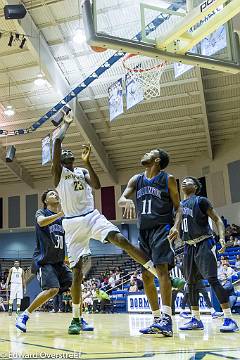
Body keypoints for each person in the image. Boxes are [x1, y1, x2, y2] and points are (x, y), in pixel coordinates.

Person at [51, 114, 158, 335]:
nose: (69, 154)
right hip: (72, 224)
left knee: (121, 240)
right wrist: (67, 124)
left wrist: (88, 162)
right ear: (61, 160)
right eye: (65, 154)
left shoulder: (81, 171)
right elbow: (57, 143)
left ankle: (158, 273)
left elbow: (98, 185)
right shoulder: (58, 174)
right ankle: (76, 319)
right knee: (77, 272)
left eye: (72, 154)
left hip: (92, 216)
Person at [118, 148, 181, 337]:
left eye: (149, 153)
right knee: (146, 276)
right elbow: (123, 197)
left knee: (161, 270)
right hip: (143, 231)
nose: (144, 153)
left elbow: (179, 207)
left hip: (162, 228)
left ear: (157, 159)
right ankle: (155, 320)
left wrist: (176, 226)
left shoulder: (167, 179)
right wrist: (124, 201)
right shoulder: (136, 179)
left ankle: (167, 319)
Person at [178, 176, 238, 333]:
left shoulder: (201, 201)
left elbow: (217, 220)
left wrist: (222, 238)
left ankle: (229, 318)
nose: (184, 182)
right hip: (188, 246)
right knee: (190, 283)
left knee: (212, 279)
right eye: (183, 181)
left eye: (189, 181)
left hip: (205, 242)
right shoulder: (179, 206)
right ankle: (196, 319)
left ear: (196, 187)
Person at [15, 189, 74, 333]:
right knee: (52, 290)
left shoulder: (63, 219)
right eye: (51, 194)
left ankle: (77, 318)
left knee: (76, 285)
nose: (55, 195)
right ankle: (24, 315)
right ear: (46, 201)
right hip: (45, 260)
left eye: (56, 193)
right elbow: (41, 223)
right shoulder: (41, 213)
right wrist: (60, 214)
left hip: (60, 261)